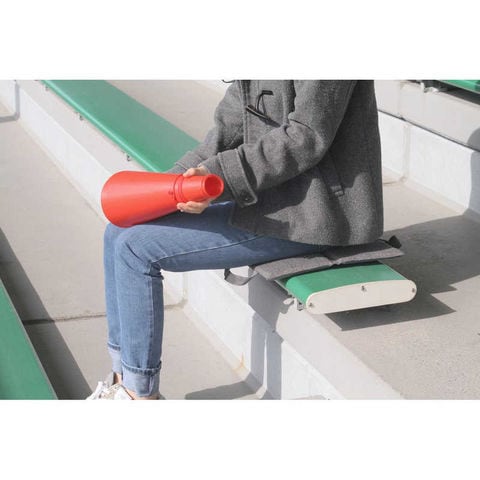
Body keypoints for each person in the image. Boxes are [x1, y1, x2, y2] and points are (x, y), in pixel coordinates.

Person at [87, 80, 383, 400]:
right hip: (273, 199)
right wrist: (172, 187)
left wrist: (221, 177)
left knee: (134, 249)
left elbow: (305, 137)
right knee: (117, 232)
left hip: (318, 213)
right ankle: (122, 379)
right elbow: (228, 128)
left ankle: (139, 395)